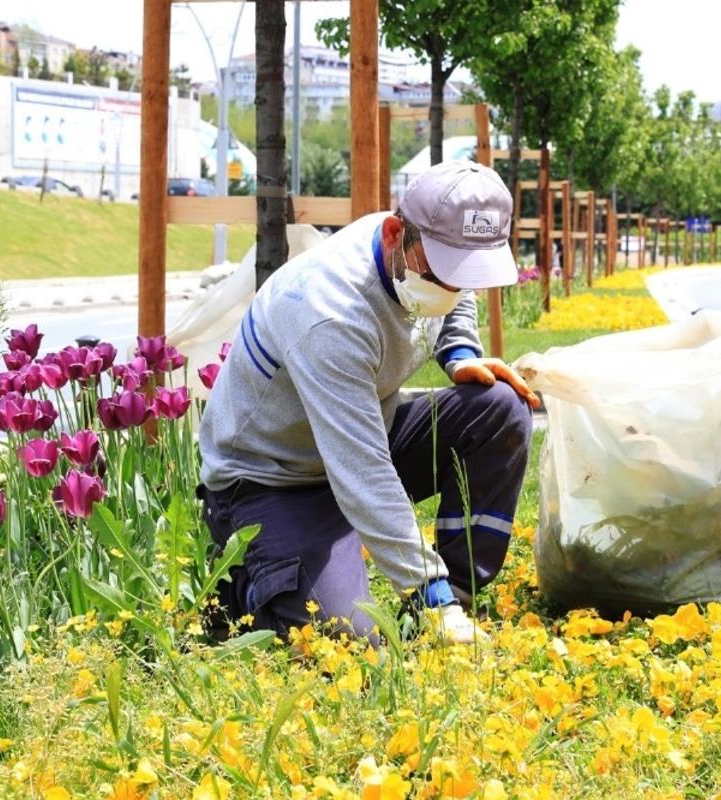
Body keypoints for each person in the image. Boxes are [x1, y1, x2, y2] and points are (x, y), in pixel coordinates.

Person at [198, 159, 539, 645]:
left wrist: (460, 353)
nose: (453, 287)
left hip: (354, 436)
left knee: (499, 407)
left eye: (467, 272)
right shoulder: (329, 314)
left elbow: (458, 285)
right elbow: (362, 469)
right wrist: (424, 592)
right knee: (350, 642)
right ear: (396, 234)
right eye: (443, 271)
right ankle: (245, 583)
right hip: (269, 479)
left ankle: (459, 595)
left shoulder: (422, 247)